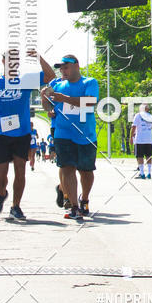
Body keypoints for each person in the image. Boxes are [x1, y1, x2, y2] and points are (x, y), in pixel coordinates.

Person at [0, 48, 55, 221]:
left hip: (21, 133)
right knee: (0, 174)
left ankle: (16, 206)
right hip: (0, 134)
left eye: (16, 60)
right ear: (3, 62)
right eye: (9, 60)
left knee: (20, 169)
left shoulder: (26, 80)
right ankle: (2, 192)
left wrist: (38, 57)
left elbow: (50, 76)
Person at [41, 55, 99, 221]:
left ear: (76, 66)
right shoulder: (56, 84)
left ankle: (84, 199)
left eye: (66, 67)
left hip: (85, 134)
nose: (63, 70)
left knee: (86, 171)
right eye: (61, 67)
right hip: (63, 133)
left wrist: (64, 98)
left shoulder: (89, 82)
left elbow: (89, 102)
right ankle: (74, 206)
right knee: (67, 168)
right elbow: (48, 106)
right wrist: (45, 97)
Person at [130, 104, 152, 179]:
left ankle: (142, 173)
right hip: (148, 140)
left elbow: (133, 127)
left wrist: (131, 137)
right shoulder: (151, 116)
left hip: (140, 140)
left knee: (140, 156)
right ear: (147, 109)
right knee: (148, 156)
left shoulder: (137, 116)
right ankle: (149, 173)